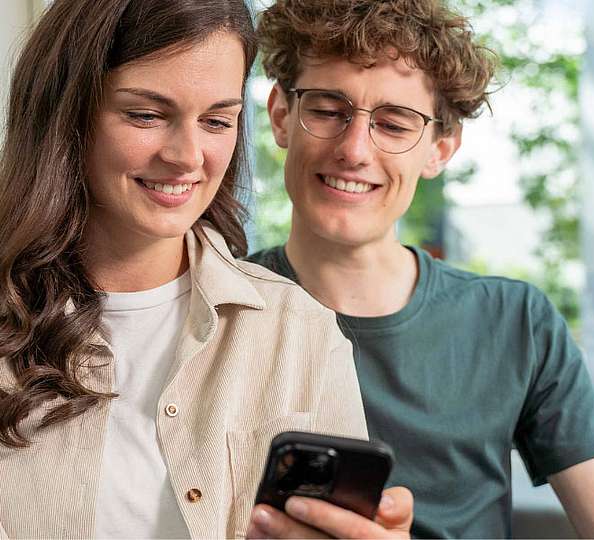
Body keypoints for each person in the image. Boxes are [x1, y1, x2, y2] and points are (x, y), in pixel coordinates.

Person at [246, 0, 594, 538]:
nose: (355, 149)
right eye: (328, 109)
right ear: (281, 116)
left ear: (440, 150)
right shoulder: (212, 310)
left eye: (393, 123)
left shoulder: (516, 321)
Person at [0, 0, 393, 537]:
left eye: (216, 121)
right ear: (65, 112)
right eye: (146, 114)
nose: (189, 156)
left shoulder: (300, 331)